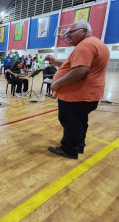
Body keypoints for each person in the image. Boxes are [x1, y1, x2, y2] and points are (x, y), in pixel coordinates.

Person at [46, 21, 110, 159]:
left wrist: (56, 84)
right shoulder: (97, 43)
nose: (67, 36)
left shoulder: (85, 45)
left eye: (70, 32)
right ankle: (78, 145)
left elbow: (80, 70)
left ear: (83, 31)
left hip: (77, 95)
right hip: (88, 95)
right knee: (80, 121)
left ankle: (69, 149)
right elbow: (73, 66)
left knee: (71, 122)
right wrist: (55, 61)